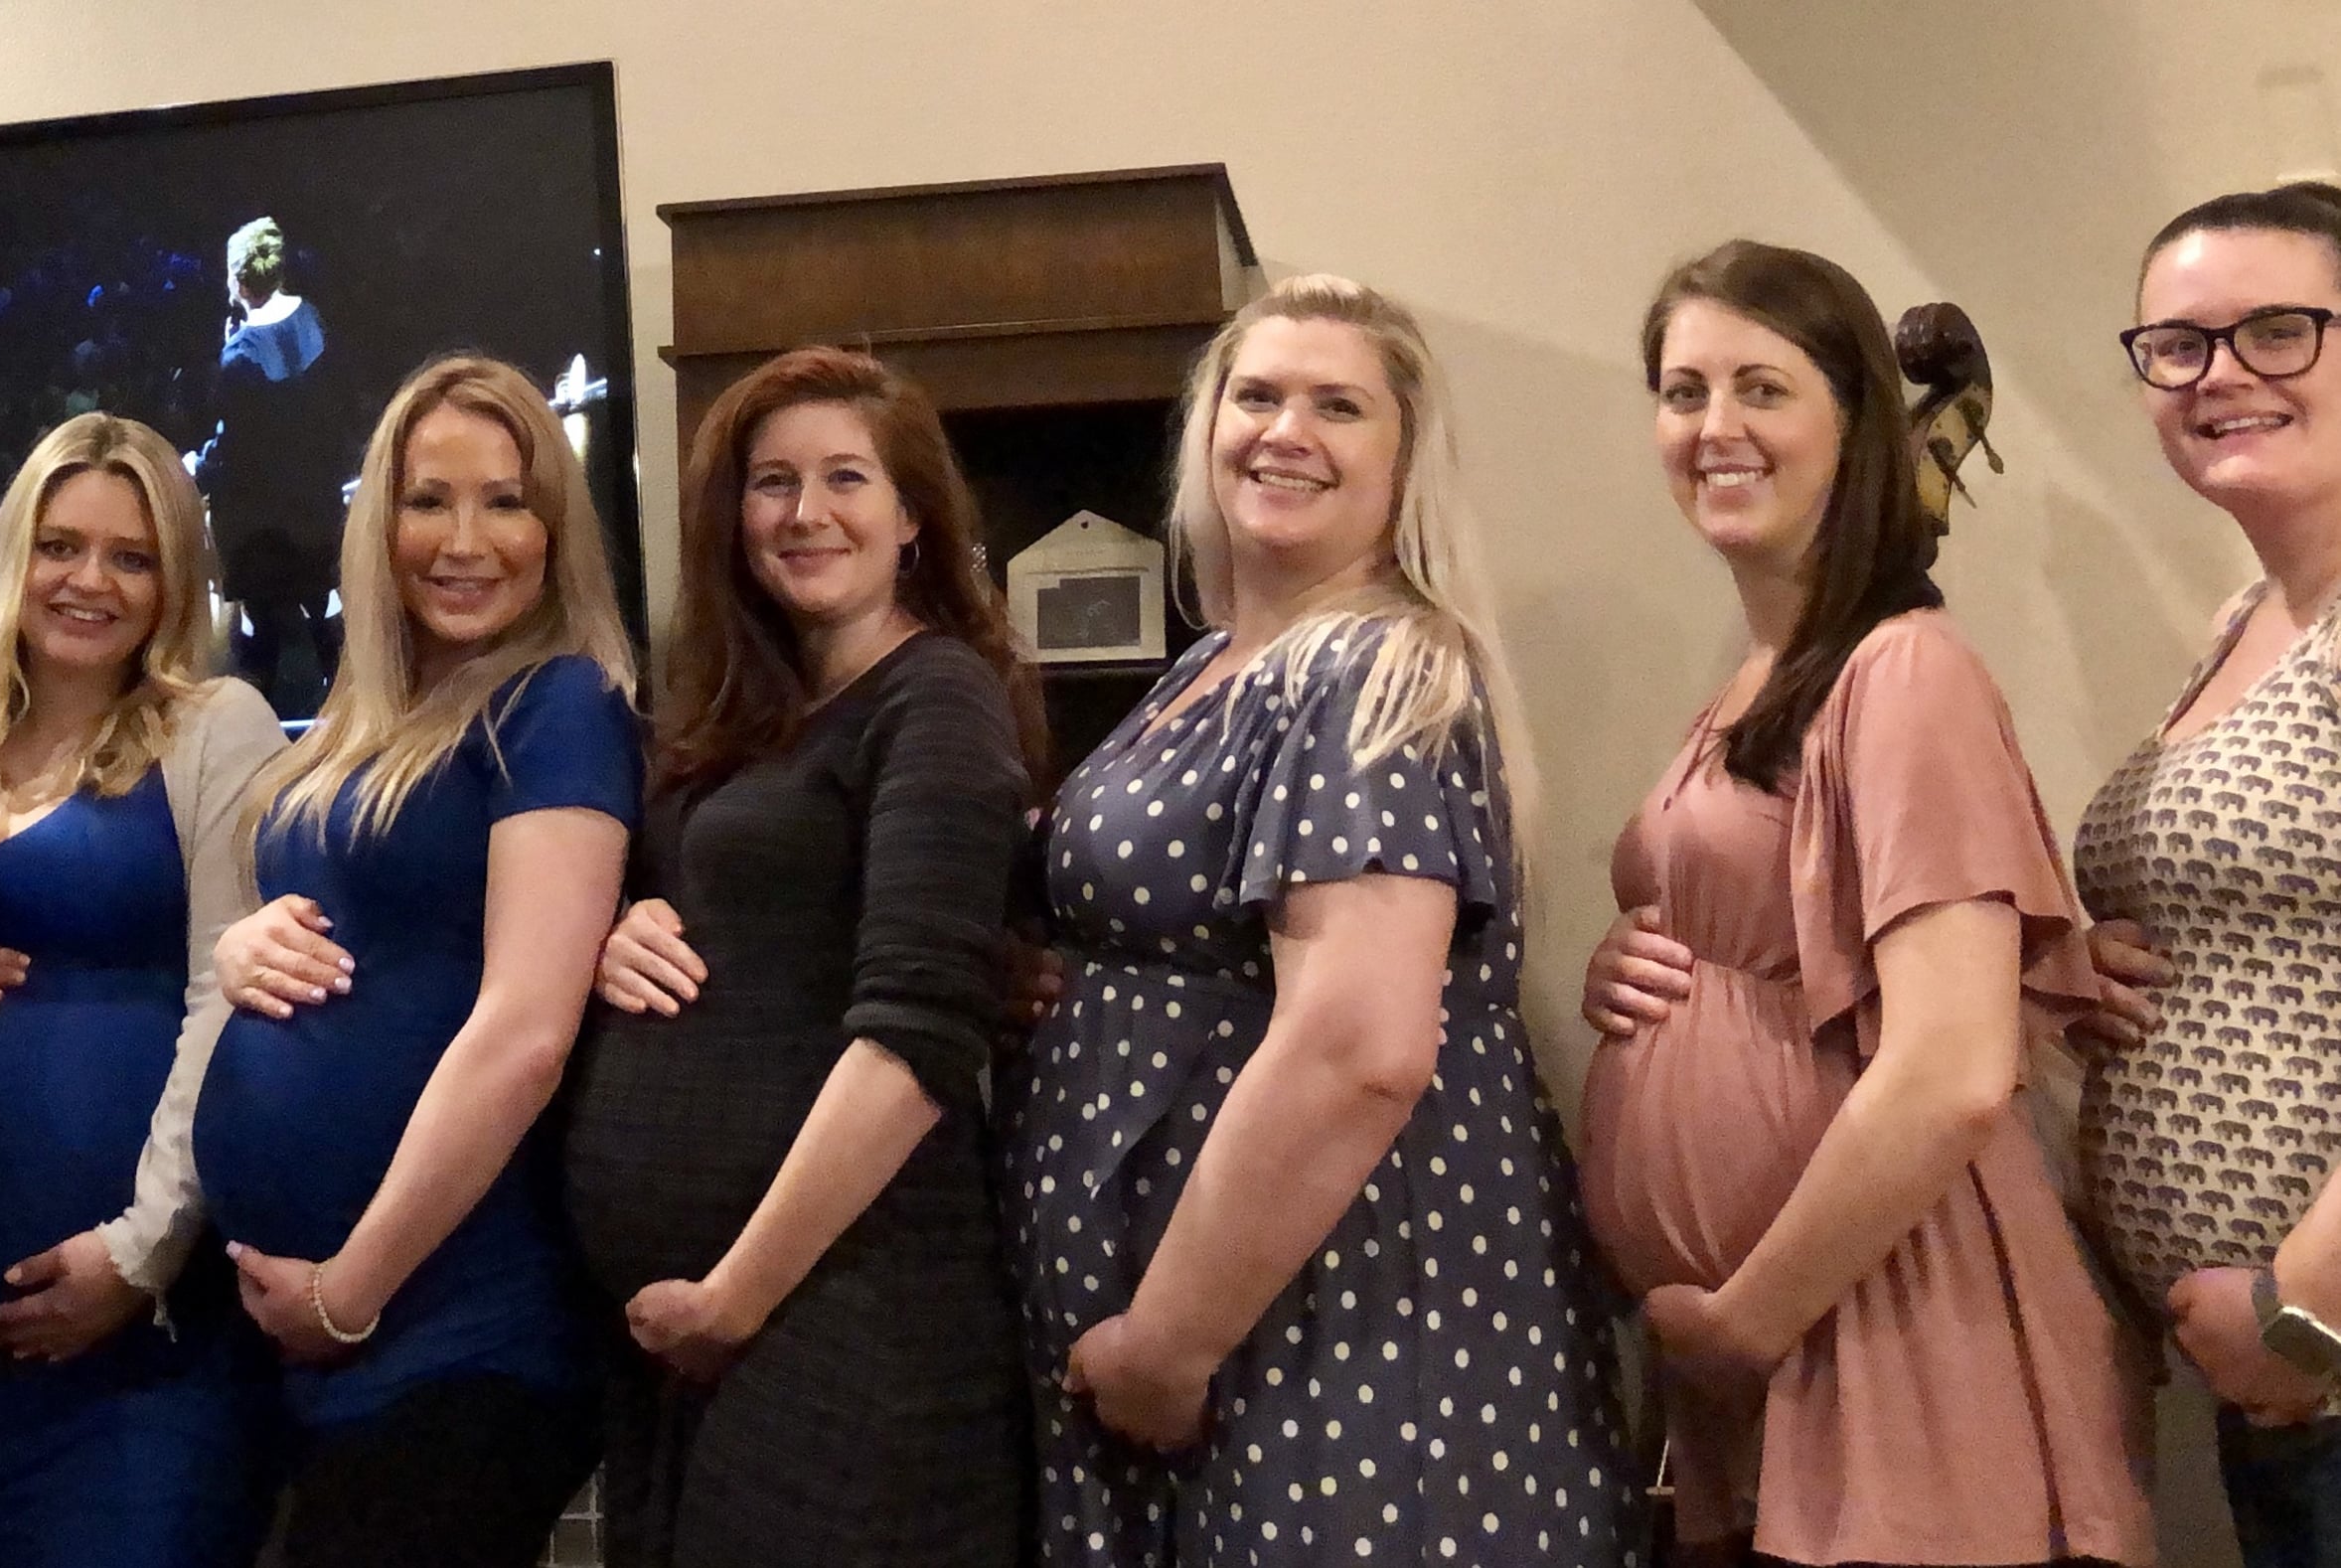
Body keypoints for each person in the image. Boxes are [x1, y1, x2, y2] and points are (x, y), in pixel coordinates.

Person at [1002, 274, 1639, 1564]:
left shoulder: (1372, 671)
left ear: (1405, 463)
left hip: (1329, 1335)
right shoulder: (1213, 664)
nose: (1285, 431)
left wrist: (1165, 1344)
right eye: (1257, 396)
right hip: (1215, 1349)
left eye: (1338, 407)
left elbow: (1360, 1047)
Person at [1576, 240, 2150, 1566]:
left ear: (1858, 422)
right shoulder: (1772, 673)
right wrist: (1641, 964)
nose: (1714, 425)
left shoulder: (1904, 670)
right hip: (1794, 1350)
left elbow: (1952, 1067)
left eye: (1762, 388)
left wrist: (1746, 1322)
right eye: (1683, 390)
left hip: (1894, 1322)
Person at [562, 346, 1040, 1566]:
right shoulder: (742, 715)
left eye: (846, 478)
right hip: (698, 1341)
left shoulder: (936, 697)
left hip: (849, 1311)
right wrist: (617, 928)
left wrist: (736, 1296)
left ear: (913, 517)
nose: (805, 512)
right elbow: (731, 916)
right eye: (772, 483)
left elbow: (919, 1035)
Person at [191, 355, 636, 1564]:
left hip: (456, 1332)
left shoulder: (556, 707)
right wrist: (242, 945)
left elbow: (525, 1036)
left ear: (555, 532)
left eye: (506, 502)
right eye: (429, 500)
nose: (465, 541)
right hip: (316, 1351)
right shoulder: (365, 717)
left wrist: (350, 1290)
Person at [0, 411, 286, 1564]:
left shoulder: (215, 729)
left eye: (130, 556)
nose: (89, 581)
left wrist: (143, 1250)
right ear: (16, 557)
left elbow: (230, 997)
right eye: (60, 546)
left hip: (140, 1348)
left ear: (174, 581)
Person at [2066, 182, 2341, 1565]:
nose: (2220, 373)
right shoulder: (2253, 618)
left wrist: (2306, 1309)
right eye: (2177, 345)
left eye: (2277, 329)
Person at [199, 214, 350, 710]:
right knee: (326, 609)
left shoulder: (238, 359)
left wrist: (199, 467)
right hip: (319, 508)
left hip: (262, 526)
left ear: (239, 281)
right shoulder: (314, 320)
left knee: (257, 628)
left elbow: (238, 451)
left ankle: (251, 721)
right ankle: (349, 707)